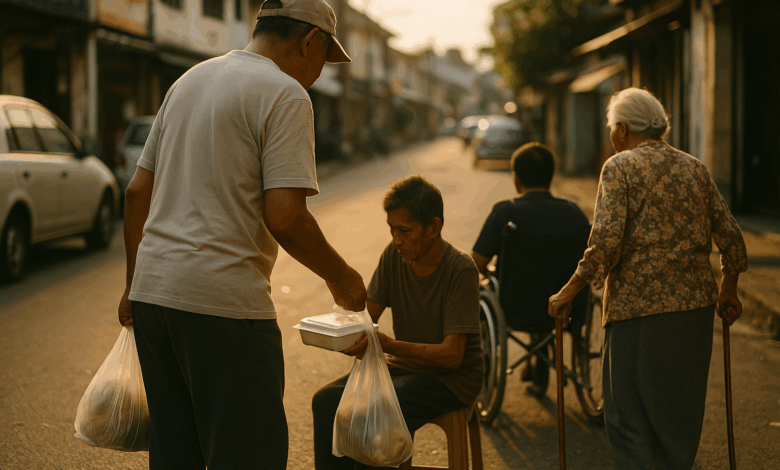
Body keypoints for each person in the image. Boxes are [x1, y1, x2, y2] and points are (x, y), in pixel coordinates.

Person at [116, 1, 365, 468]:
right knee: (249, 454)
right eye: (322, 59)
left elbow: (136, 193)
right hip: (224, 308)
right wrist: (343, 279)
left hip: (153, 299)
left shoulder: (187, 81)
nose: (316, 73)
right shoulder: (285, 94)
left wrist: (133, 286)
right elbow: (286, 216)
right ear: (309, 41)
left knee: (176, 454)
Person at [548, 88, 748, 470]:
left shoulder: (620, 166)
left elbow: (605, 241)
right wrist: (728, 289)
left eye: (611, 129)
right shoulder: (694, 167)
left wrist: (568, 290)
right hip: (695, 313)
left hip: (637, 313)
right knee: (679, 420)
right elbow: (732, 238)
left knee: (627, 419)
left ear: (621, 130)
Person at [311, 176, 484, 469]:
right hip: (405, 369)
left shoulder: (460, 269)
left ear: (433, 228)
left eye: (405, 230)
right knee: (325, 400)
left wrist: (390, 345)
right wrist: (341, 331)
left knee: (370, 412)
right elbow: (368, 316)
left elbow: (453, 356)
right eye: (392, 230)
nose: (397, 240)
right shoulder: (394, 256)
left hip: (451, 380)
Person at [471, 142, 590, 397]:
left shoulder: (505, 212)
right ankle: (539, 357)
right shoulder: (575, 214)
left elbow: (477, 263)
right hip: (566, 307)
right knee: (549, 281)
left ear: (516, 178)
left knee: (487, 288)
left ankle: (531, 359)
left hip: (516, 308)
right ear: (550, 176)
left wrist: (491, 273)